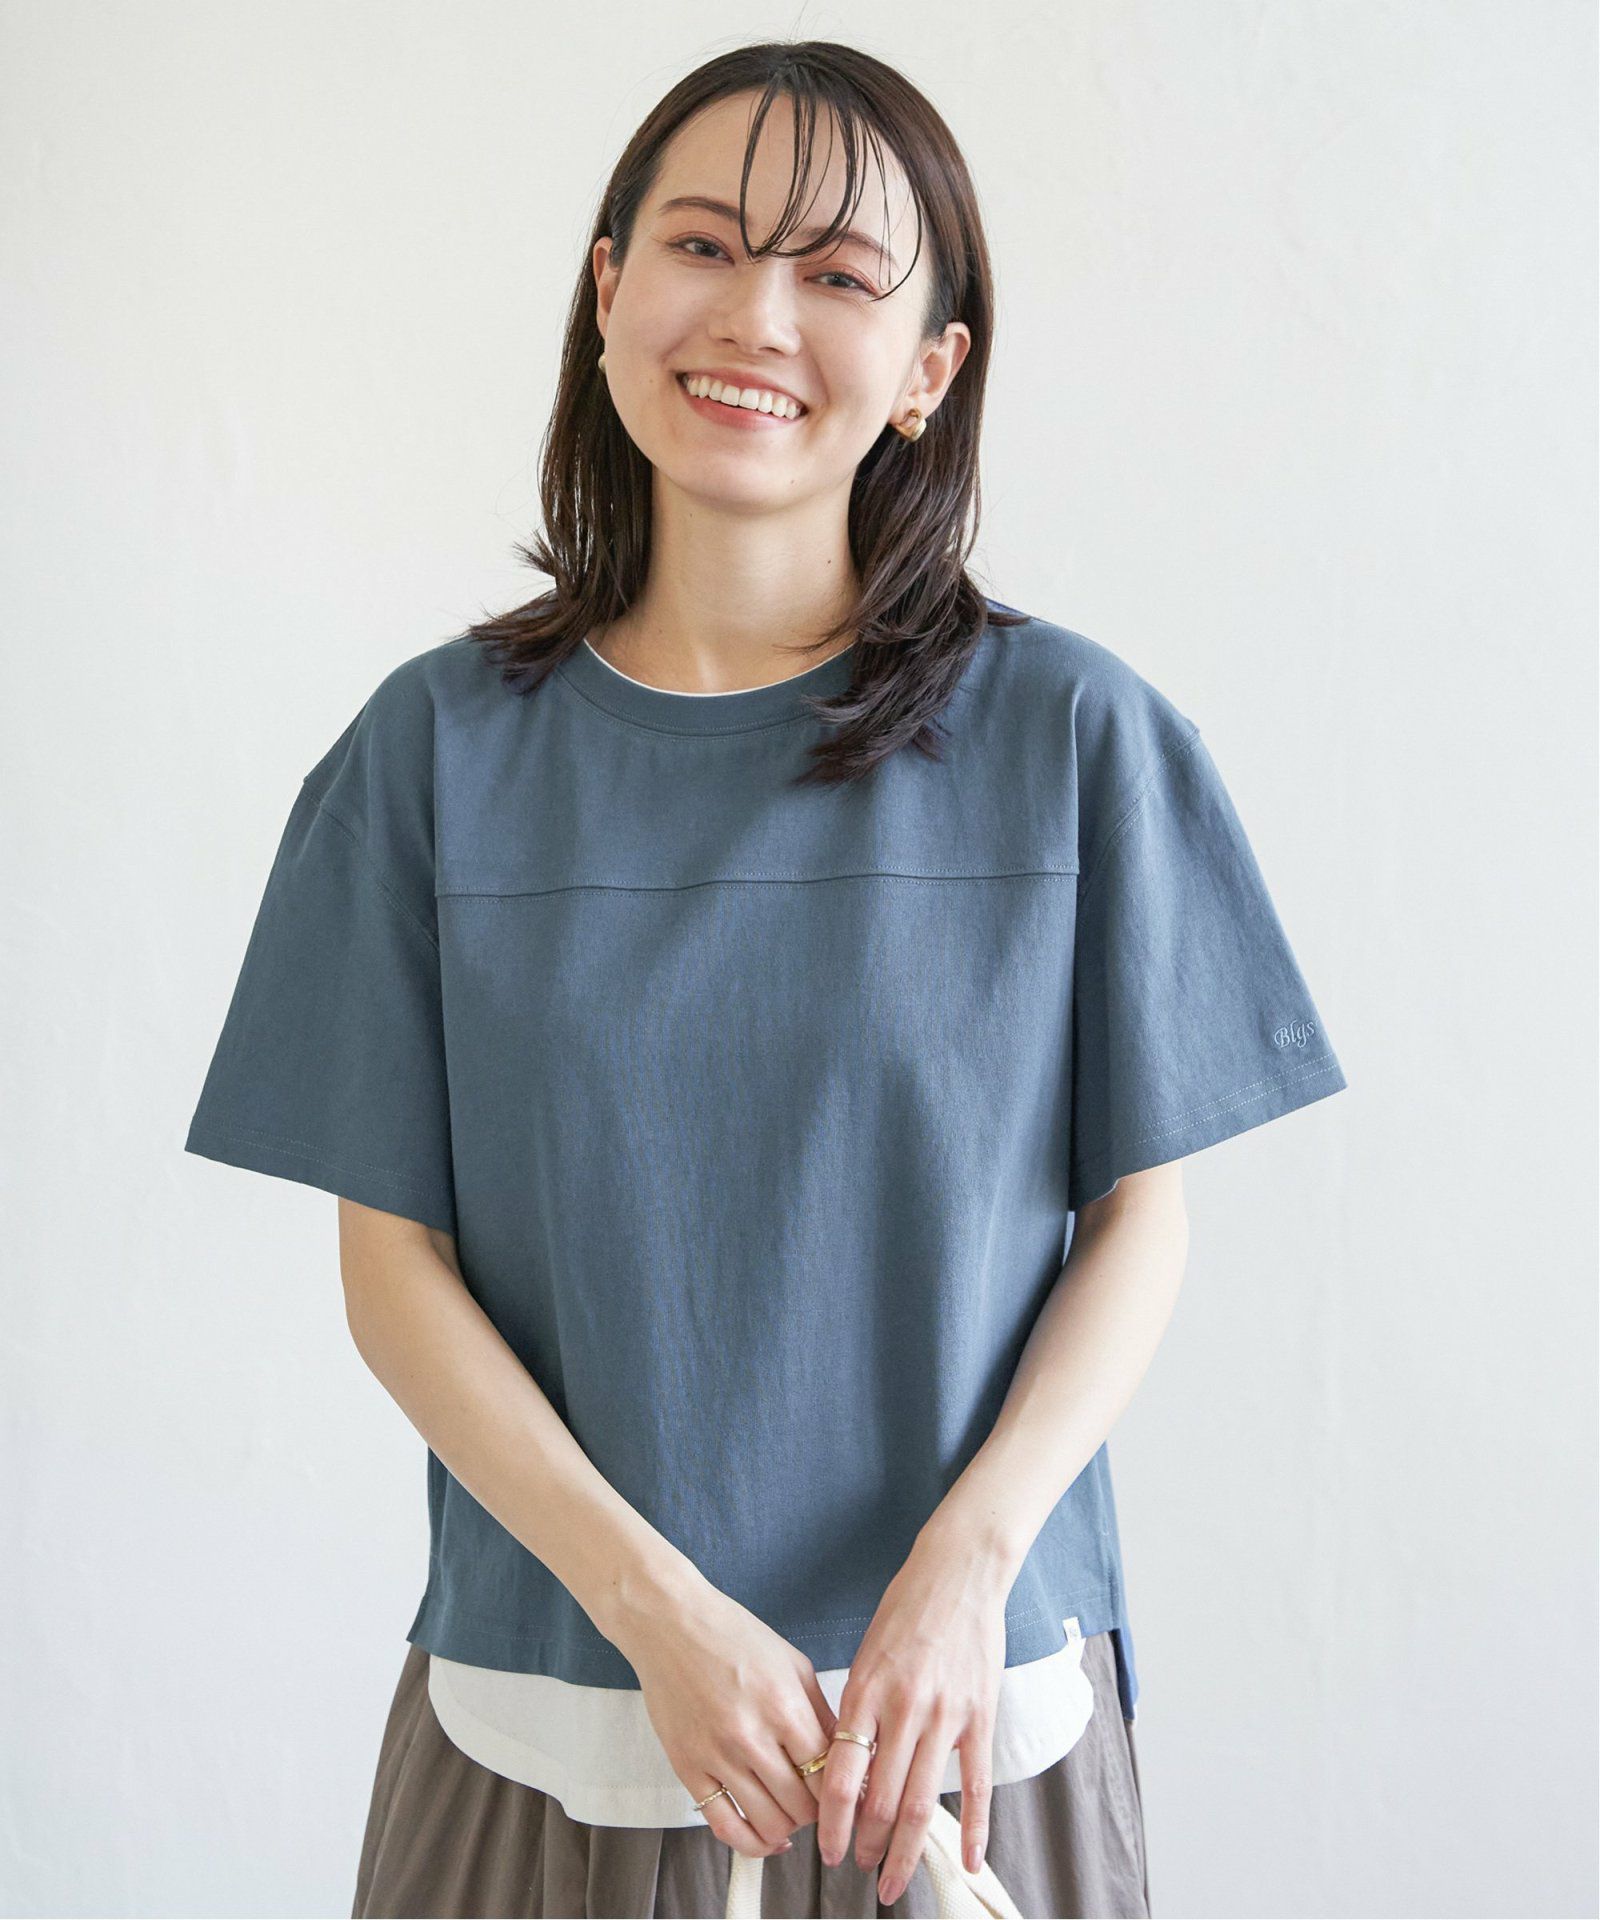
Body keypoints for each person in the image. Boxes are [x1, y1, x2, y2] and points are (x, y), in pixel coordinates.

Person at [183, 39, 1347, 1920]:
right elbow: (391, 1271)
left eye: (838, 274)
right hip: (546, 1734)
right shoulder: (430, 759)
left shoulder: (1075, 741)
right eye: (706, 245)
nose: (758, 316)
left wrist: (966, 1568)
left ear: (930, 369)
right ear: (609, 288)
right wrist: (654, 1611)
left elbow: (1144, 1220)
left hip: (963, 1758)